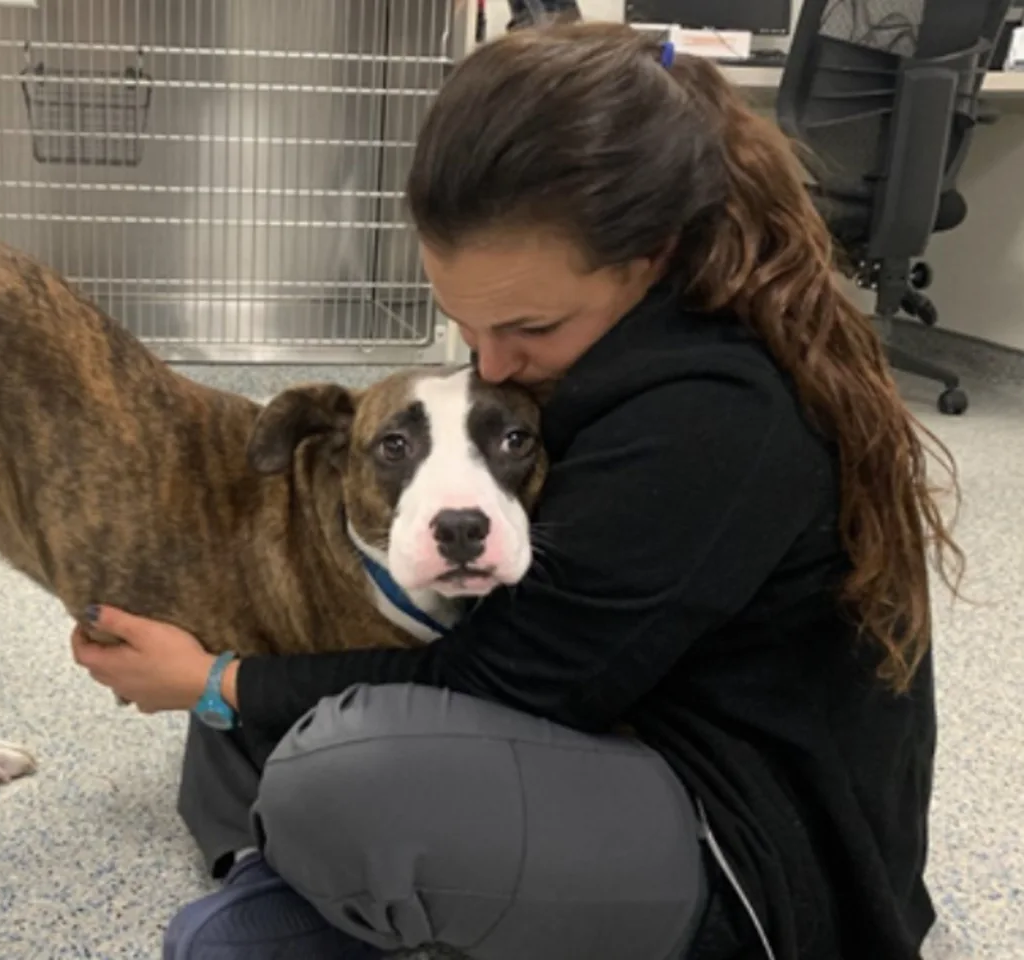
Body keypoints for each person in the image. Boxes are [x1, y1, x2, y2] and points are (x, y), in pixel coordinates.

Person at [70, 21, 963, 960]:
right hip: (618, 716)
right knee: (259, 706)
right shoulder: (626, 338)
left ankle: (331, 878)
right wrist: (236, 683)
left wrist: (213, 681)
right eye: (466, 326)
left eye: (529, 325)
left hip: (746, 844)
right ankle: (341, 882)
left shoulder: (711, 414)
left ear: (650, 252)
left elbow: (498, 681)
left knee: (316, 769)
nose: (494, 362)